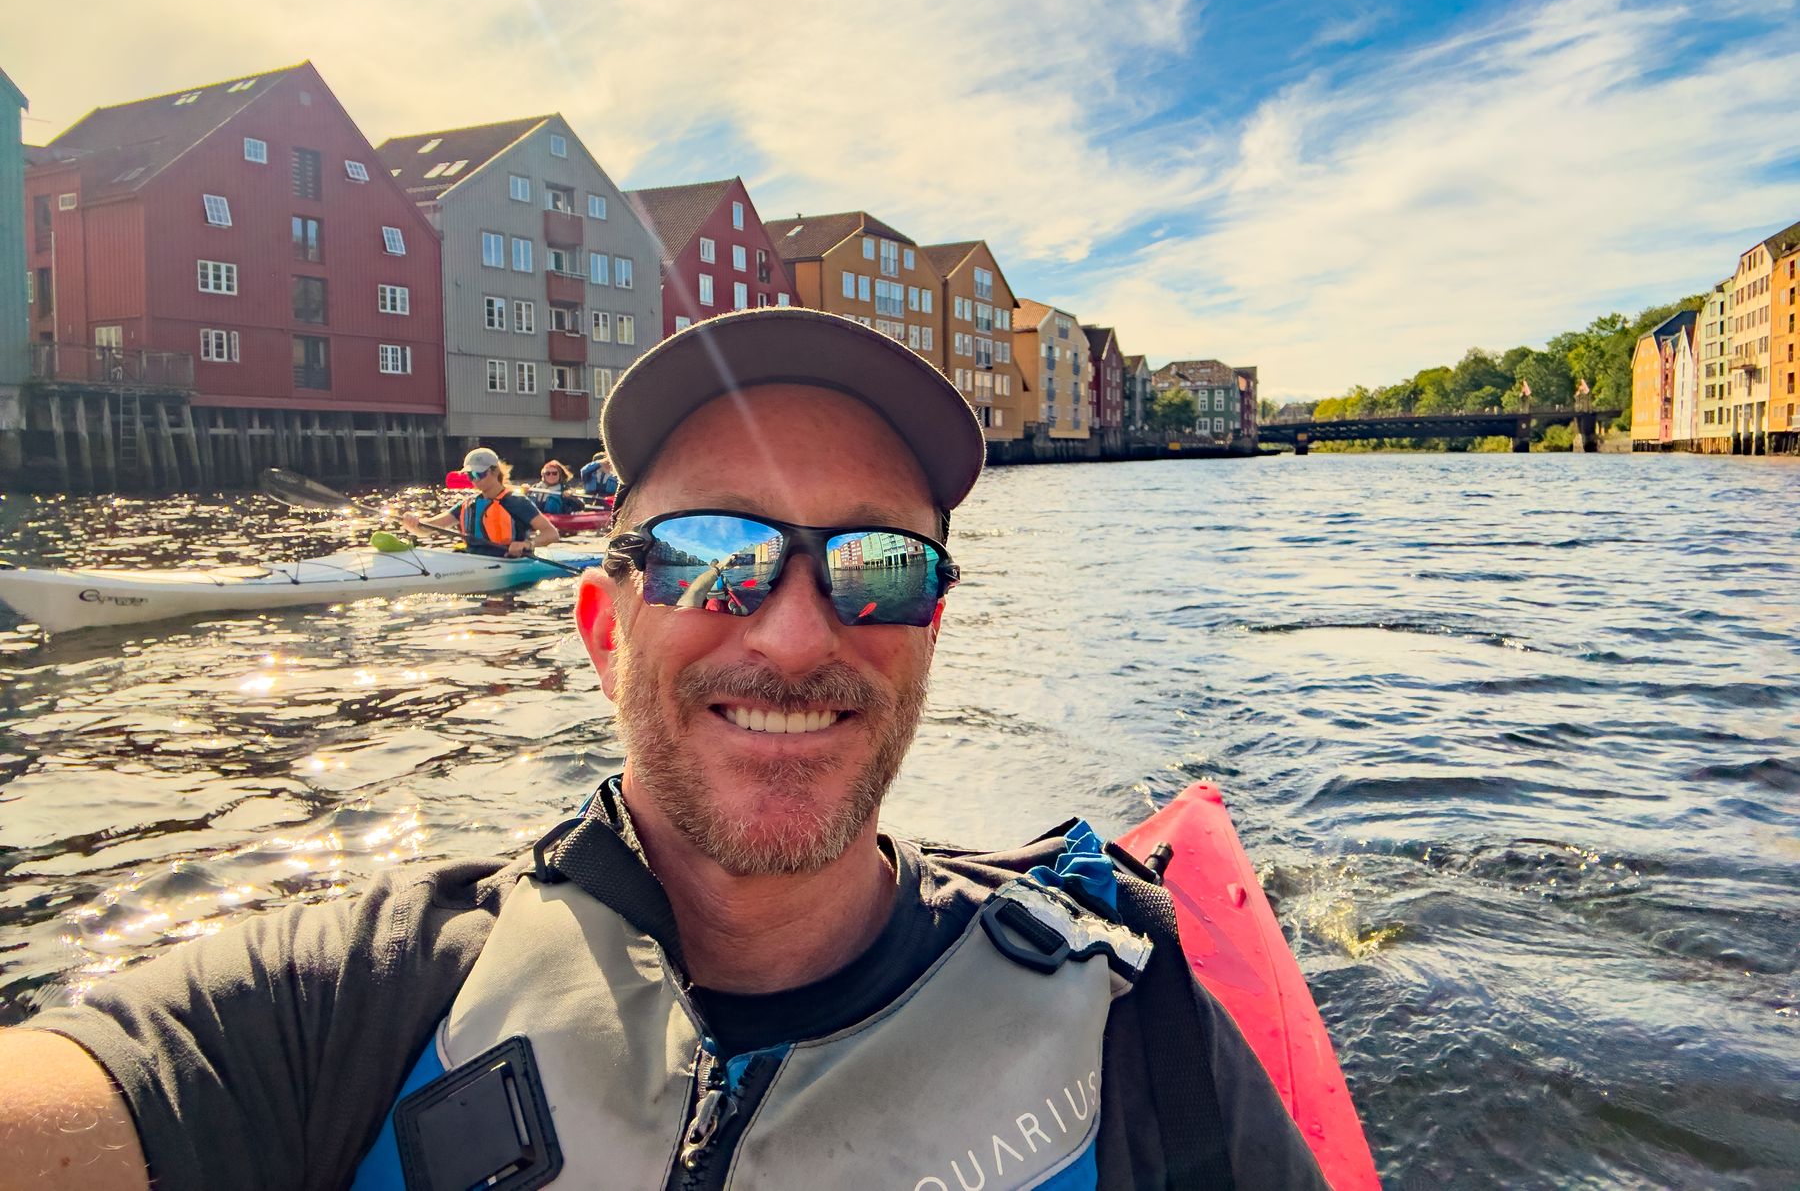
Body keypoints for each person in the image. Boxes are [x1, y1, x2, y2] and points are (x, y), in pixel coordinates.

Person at [0, 309, 1328, 1190]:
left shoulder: (1141, 1032)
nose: (801, 633)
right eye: (714, 556)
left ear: (931, 625)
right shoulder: (361, 1000)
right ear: (603, 623)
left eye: (876, 565)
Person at [401, 446, 560, 558]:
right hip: (475, 560)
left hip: (508, 561)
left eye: (479, 474)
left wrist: (528, 544)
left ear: (495, 471)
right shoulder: (468, 504)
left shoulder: (516, 502)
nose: (474, 480)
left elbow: (552, 534)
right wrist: (414, 523)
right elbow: (428, 528)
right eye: (470, 475)